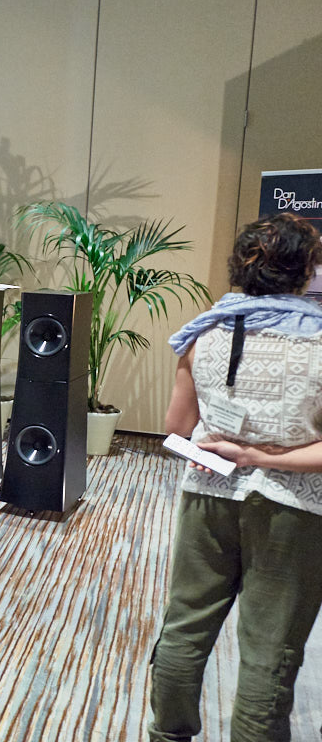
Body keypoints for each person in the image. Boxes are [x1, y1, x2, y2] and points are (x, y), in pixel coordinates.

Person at [150, 212, 322, 742]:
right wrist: (259, 456)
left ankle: (168, 734)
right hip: (296, 511)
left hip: (207, 495)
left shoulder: (204, 333)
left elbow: (176, 428)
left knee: (185, 626)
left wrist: (228, 450)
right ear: (306, 269)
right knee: (270, 649)